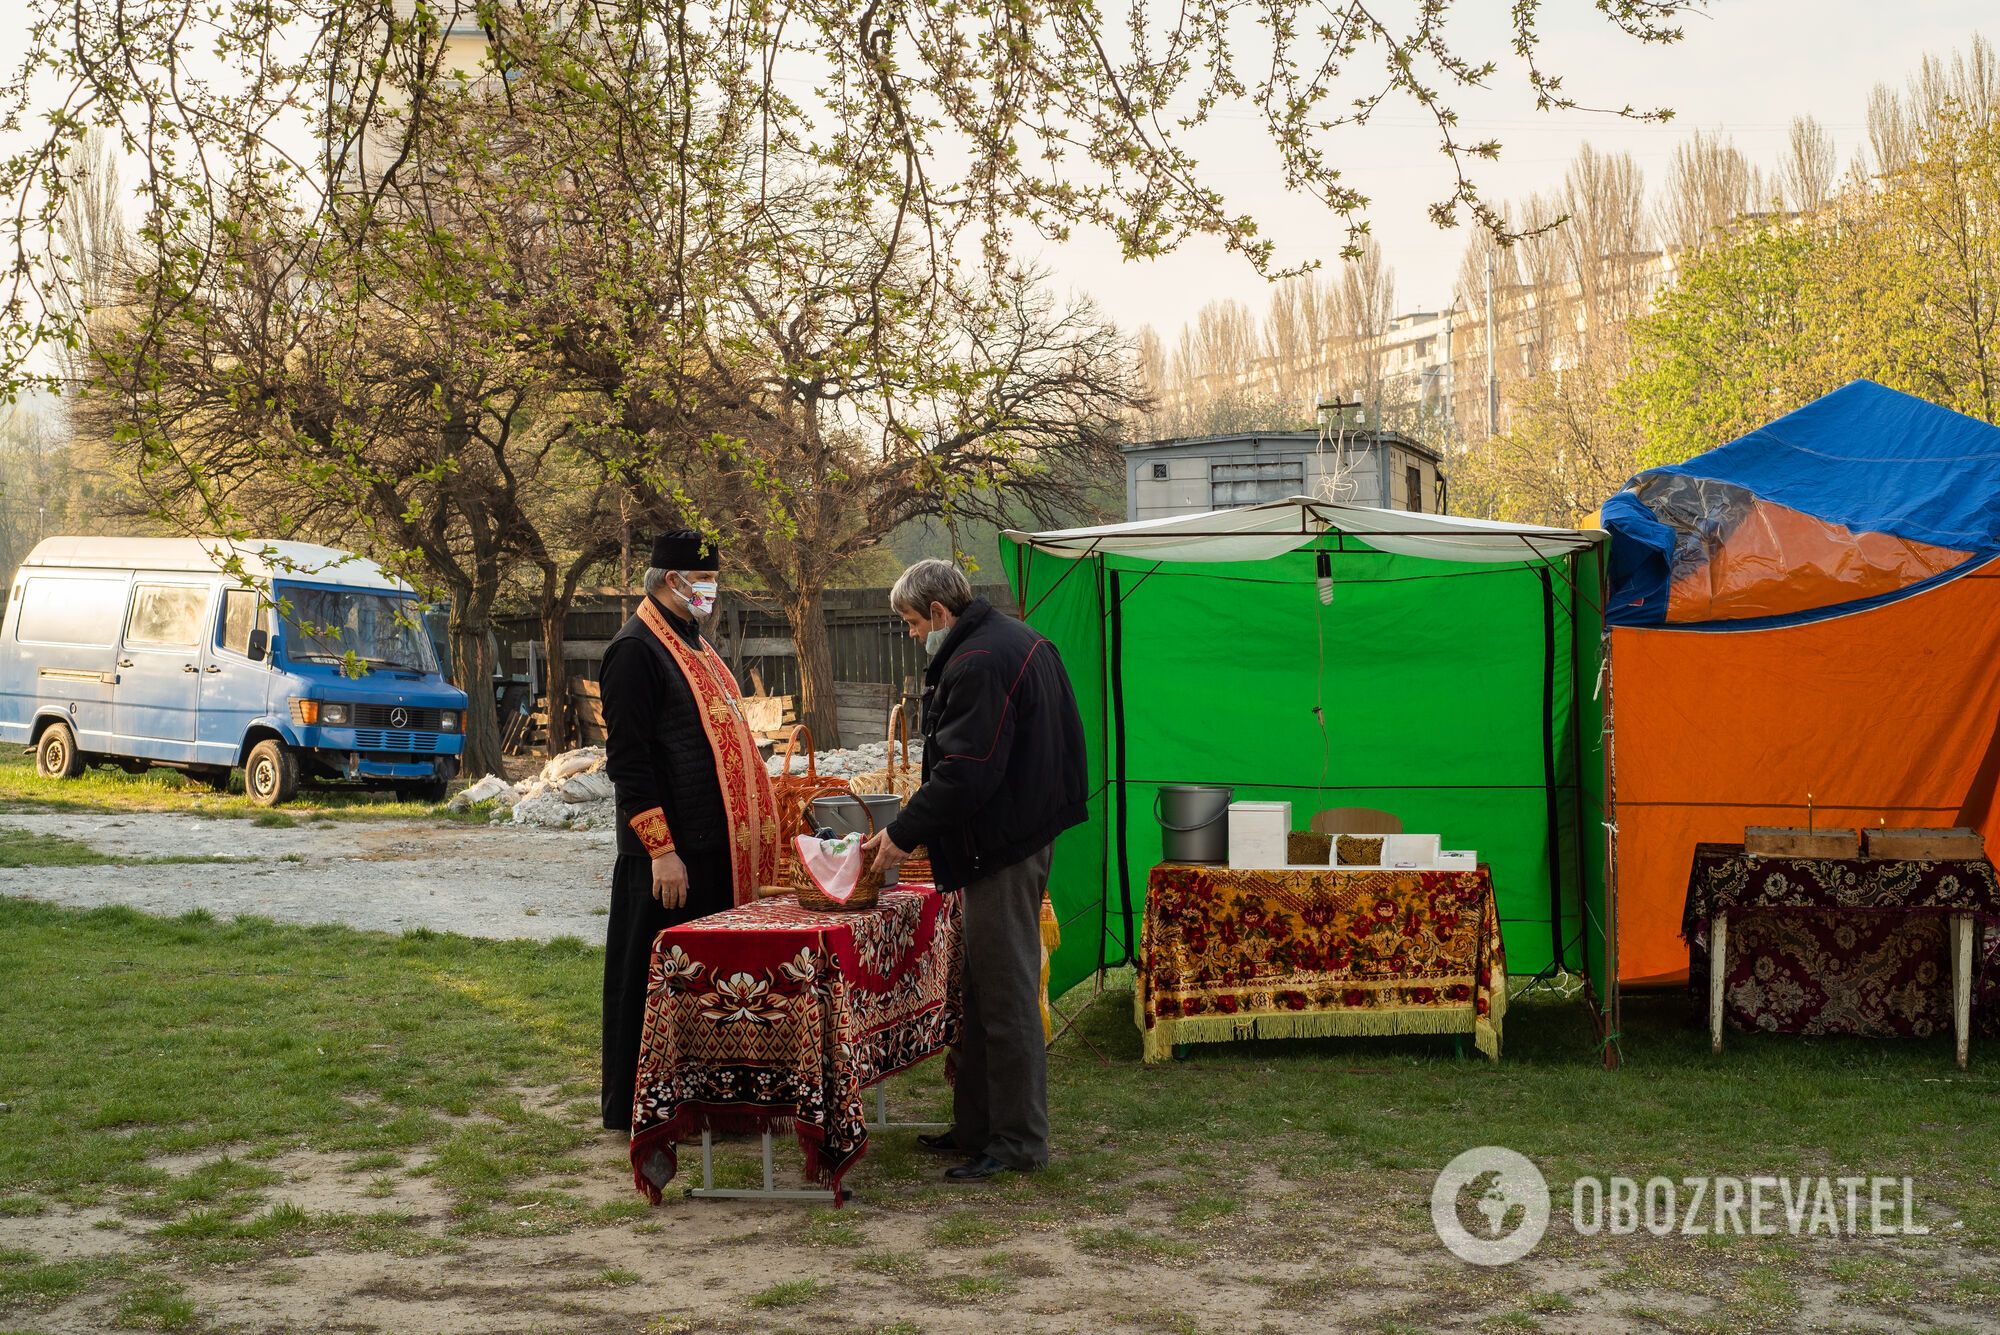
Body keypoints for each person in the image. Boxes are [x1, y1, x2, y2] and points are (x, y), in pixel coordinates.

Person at [863, 558, 1087, 1181]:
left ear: (939, 613)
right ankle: (978, 1128)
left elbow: (965, 773)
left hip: (1004, 845)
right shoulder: (1014, 638)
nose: (911, 636)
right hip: (1019, 833)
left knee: (1006, 994)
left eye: (911, 622)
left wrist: (903, 834)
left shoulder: (981, 660)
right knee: (981, 987)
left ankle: (1017, 1143)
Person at [597, 530, 779, 1134]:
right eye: (704, 581)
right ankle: (638, 1106)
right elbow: (629, 761)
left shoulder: (695, 643)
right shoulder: (635, 650)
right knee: (651, 985)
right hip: (669, 857)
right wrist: (662, 850)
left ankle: (711, 1101)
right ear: (672, 581)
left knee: (708, 986)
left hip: (714, 848)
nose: (712, 591)